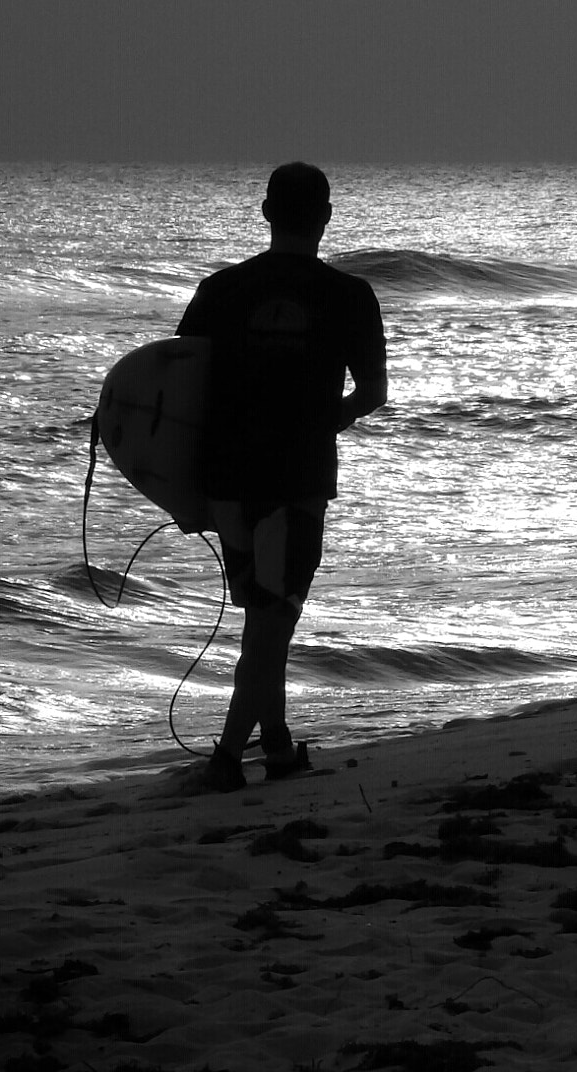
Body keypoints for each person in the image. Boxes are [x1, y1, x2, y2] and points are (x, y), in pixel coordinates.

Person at [175, 162, 387, 791]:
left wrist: (184, 488)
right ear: (325, 217)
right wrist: (325, 423)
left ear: (266, 214)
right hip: (297, 481)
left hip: (228, 484)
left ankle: (279, 748)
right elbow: (372, 392)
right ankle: (226, 762)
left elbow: (180, 385)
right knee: (272, 623)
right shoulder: (350, 295)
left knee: (264, 619)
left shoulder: (220, 290)